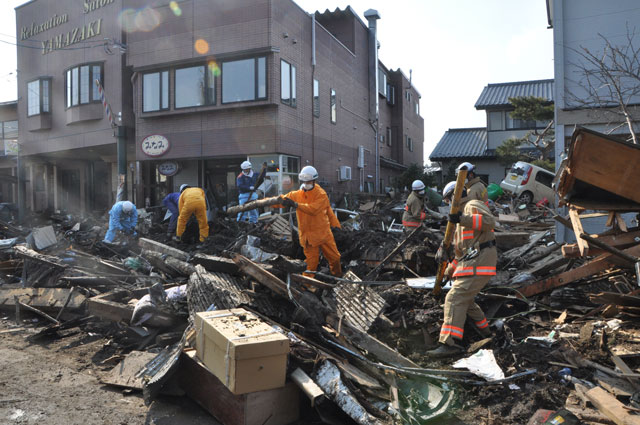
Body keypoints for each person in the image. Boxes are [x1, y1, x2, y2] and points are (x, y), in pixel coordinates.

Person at [427, 180, 496, 358]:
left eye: (448, 201)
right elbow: (460, 255)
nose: (448, 205)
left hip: (480, 262)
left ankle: (450, 343)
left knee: (454, 297)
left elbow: (489, 222)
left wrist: (462, 218)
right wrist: (447, 272)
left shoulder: (472, 205)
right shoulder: (458, 221)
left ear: (454, 197)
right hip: (472, 263)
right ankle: (487, 333)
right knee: (467, 300)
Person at [278, 165, 342, 277]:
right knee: (311, 264)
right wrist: (265, 202)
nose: (306, 183)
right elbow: (282, 200)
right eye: (304, 181)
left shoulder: (321, 194)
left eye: (308, 181)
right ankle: (306, 286)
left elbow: (313, 209)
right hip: (308, 237)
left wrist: (336, 226)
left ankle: (337, 277)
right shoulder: (296, 195)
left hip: (323, 234)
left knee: (335, 258)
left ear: (314, 181)